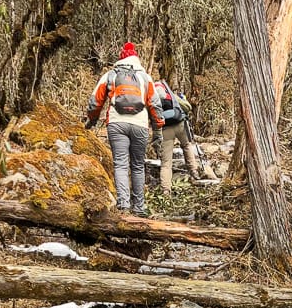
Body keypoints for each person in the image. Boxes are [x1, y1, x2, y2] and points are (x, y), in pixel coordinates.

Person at [84, 42, 166, 214]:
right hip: (140, 124)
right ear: (136, 57)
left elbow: (95, 101)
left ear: (121, 57)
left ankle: (123, 205)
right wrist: (158, 130)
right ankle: (139, 207)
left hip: (116, 123)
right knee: (137, 165)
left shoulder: (111, 74)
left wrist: (91, 121)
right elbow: (155, 104)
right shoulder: (145, 77)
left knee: (120, 164)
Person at [153, 78, 211, 193]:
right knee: (187, 146)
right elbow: (187, 107)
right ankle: (194, 172)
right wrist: (182, 98)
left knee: (166, 163)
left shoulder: (152, 99)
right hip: (180, 124)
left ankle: (166, 190)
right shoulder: (171, 95)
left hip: (165, 129)